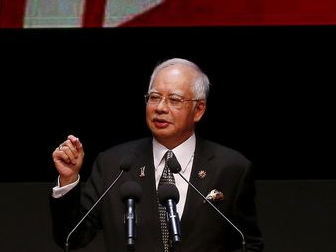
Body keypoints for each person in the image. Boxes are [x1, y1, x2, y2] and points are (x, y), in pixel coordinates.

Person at [50, 58, 264, 251]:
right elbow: (72, 237)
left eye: (174, 99)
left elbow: (248, 243)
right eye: (154, 97)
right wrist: (69, 179)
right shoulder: (113, 164)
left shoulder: (231, 167)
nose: (160, 108)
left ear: (199, 110)